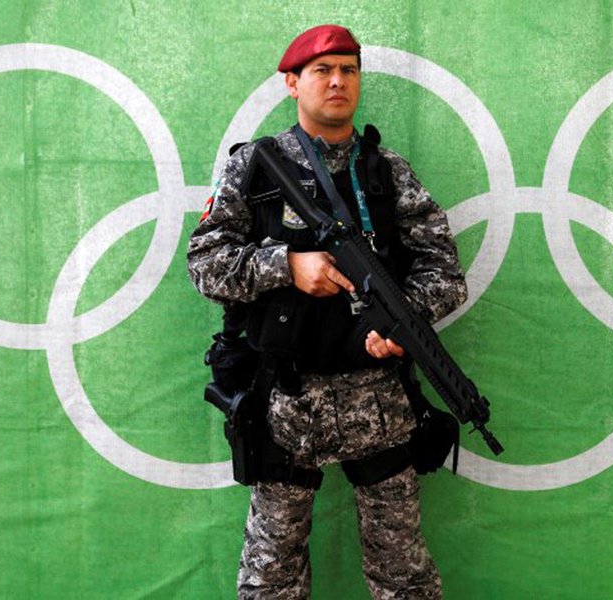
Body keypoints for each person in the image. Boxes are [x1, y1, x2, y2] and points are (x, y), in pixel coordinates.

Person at [187, 24, 467, 599]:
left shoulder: (387, 172)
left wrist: (402, 325)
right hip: (286, 405)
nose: (338, 81)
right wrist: (286, 265)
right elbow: (204, 264)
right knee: (271, 579)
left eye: (348, 70)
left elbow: (444, 272)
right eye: (322, 70)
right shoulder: (257, 167)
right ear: (293, 83)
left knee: (404, 577)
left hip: (379, 403)